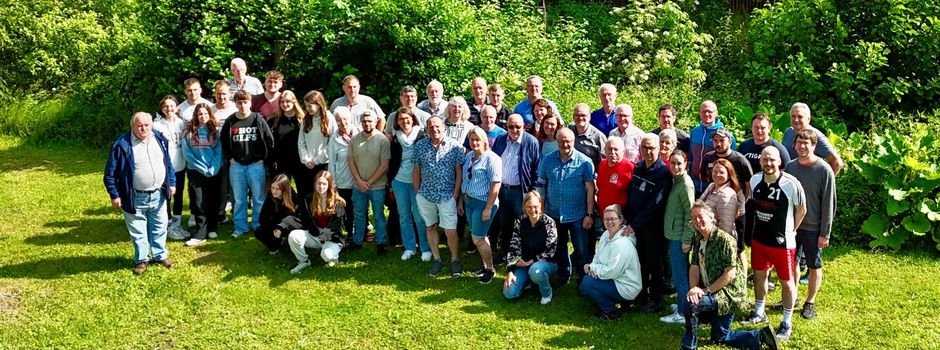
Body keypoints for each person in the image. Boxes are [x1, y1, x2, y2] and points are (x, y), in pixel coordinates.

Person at [682, 202, 778, 350]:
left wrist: (706, 291)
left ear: (711, 217)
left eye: (700, 216)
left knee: (693, 306)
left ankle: (689, 345)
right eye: (693, 218)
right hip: (711, 290)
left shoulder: (725, 240)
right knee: (717, 335)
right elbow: (694, 266)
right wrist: (694, 288)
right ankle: (761, 336)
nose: (697, 221)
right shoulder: (698, 237)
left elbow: (730, 274)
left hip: (727, 293)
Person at [742, 147, 806, 342]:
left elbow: (802, 210)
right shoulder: (754, 180)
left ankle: (787, 321)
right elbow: (752, 204)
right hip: (760, 239)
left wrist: (791, 230)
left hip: (782, 242)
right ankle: (759, 310)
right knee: (760, 275)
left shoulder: (791, 184)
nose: (768, 164)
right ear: (760, 162)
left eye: (772, 160)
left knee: (786, 281)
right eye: (765, 160)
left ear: (779, 161)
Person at [104, 112, 177, 275]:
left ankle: (159, 255)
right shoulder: (121, 144)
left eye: (147, 125)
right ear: (132, 126)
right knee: (138, 230)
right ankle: (142, 259)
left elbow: (168, 163)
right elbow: (110, 173)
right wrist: (114, 194)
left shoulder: (159, 138)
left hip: (159, 194)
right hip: (134, 196)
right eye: (139, 125)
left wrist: (171, 182)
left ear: (152, 125)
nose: (144, 129)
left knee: (160, 226)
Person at [783, 129, 836, 320]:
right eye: (799, 143)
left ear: (814, 146)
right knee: (793, 262)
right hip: (793, 227)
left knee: (814, 265)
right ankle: (793, 297)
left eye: (807, 143)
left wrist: (825, 233)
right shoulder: (790, 167)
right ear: (794, 145)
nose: (802, 146)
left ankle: (810, 302)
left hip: (814, 228)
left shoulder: (824, 170)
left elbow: (829, 203)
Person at [536, 128, 596, 284]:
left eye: (568, 141)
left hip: (578, 214)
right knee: (559, 247)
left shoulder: (584, 162)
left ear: (573, 141)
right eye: (561, 141)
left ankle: (584, 279)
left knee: (581, 250)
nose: (565, 144)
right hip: (553, 213)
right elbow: (541, 185)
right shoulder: (548, 160)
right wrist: (541, 211)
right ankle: (564, 275)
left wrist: (589, 214)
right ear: (556, 141)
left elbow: (590, 188)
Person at [623, 133, 672, 313]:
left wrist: (635, 224)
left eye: (652, 148)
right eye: (645, 147)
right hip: (635, 224)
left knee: (654, 263)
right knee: (639, 261)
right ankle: (640, 294)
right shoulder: (638, 167)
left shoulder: (664, 174)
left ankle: (656, 298)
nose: (648, 151)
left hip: (652, 227)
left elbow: (656, 205)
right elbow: (632, 195)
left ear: (658, 148)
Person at [414, 116, 465, 277]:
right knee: (430, 226)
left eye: (437, 126)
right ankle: (437, 259)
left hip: (446, 196)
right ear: (427, 129)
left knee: (450, 230)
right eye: (431, 127)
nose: (434, 129)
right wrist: (418, 192)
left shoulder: (455, 146)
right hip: (426, 194)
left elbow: (459, 173)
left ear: (444, 127)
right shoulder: (420, 146)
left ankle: (454, 260)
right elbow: (416, 170)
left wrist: (455, 195)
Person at [220, 90, 275, 238]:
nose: (242, 105)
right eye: (239, 102)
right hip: (236, 165)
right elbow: (224, 142)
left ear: (250, 103)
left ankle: (258, 225)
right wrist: (230, 158)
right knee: (238, 199)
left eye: (245, 102)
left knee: (258, 198)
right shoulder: (230, 121)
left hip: (256, 165)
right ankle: (240, 227)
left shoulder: (257, 119)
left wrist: (263, 158)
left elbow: (269, 140)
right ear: (236, 103)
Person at [492, 114, 541, 265]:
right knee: (505, 223)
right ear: (506, 126)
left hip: (521, 191)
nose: (514, 130)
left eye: (518, 126)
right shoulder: (500, 140)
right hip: (502, 189)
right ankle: (506, 253)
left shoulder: (531, 142)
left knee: (524, 224)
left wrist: (532, 192)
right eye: (511, 126)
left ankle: (525, 254)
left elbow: (536, 169)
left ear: (523, 126)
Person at [579, 204, 642, 319]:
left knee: (588, 283)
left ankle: (611, 311)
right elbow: (597, 256)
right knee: (584, 287)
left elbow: (612, 272)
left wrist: (592, 269)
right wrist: (593, 266)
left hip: (625, 286)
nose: (609, 222)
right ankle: (615, 301)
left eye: (613, 219)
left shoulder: (622, 243)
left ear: (621, 219)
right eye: (606, 219)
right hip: (613, 279)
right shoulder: (605, 234)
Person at [460, 127, 502, 284]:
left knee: (477, 238)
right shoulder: (469, 155)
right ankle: (485, 266)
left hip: (484, 203)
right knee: (480, 236)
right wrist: (461, 201)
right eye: (472, 140)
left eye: (477, 139)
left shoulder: (492, 159)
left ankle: (491, 270)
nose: (474, 142)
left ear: (484, 140)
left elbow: (496, 185)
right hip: (469, 201)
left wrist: (488, 208)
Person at [389, 107, 431, 261]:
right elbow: (392, 161)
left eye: (407, 118)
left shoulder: (421, 136)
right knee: (404, 215)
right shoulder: (395, 138)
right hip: (399, 181)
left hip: (417, 182)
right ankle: (410, 247)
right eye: (401, 119)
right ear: (397, 122)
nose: (405, 121)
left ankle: (425, 247)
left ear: (413, 119)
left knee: (419, 216)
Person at [503, 191, 558, 304]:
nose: (532, 210)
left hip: (546, 263)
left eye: (535, 206)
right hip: (524, 263)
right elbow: (513, 246)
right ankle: (527, 282)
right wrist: (510, 270)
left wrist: (531, 261)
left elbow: (550, 251)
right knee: (509, 293)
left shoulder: (549, 223)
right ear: (524, 207)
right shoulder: (520, 221)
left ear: (541, 205)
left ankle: (546, 292)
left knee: (535, 271)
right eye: (529, 207)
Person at [659, 150, 695, 324]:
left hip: (680, 237)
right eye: (672, 163)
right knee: (678, 273)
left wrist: (687, 239)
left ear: (686, 164)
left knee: (680, 275)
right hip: (673, 234)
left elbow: (691, 214)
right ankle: (683, 303)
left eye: (679, 163)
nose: (675, 166)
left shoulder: (685, 184)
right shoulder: (676, 181)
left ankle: (682, 313)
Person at [347, 110, 391, 253]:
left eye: (370, 121)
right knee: (359, 214)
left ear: (375, 121)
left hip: (377, 186)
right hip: (358, 185)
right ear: (361, 122)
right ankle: (357, 240)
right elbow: (351, 161)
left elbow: (384, 164)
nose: (367, 123)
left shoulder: (382, 139)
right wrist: (359, 181)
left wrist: (369, 182)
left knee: (378, 214)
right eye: (364, 121)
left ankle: (381, 242)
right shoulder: (355, 139)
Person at [288, 170, 347, 273]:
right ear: (315, 184)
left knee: (326, 256)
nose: (321, 186)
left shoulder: (338, 202)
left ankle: (334, 256)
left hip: (332, 238)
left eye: (324, 183)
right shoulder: (308, 199)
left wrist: (324, 235)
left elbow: (336, 226)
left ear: (329, 185)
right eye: (318, 183)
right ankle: (304, 261)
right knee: (293, 236)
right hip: (314, 235)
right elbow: (302, 219)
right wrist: (283, 225)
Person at [181, 104, 223, 246]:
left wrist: (213, 168)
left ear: (210, 115)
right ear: (196, 116)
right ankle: (200, 233)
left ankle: (212, 227)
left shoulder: (215, 131)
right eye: (200, 114)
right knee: (199, 201)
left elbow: (219, 151)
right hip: (196, 172)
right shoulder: (189, 132)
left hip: (214, 171)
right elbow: (188, 154)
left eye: (205, 113)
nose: (203, 116)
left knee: (213, 200)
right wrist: (203, 169)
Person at [702, 158, 748, 276]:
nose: (717, 174)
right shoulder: (712, 186)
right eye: (715, 171)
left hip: (719, 240)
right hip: (708, 235)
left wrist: (718, 244)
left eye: (721, 172)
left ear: (729, 174)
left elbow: (726, 226)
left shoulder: (727, 194)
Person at [153, 95, 188, 240]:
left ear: (177, 107)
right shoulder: (157, 125)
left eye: (172, 106)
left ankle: (177, 224)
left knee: (179, 195)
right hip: (166, 168)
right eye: (166, 106)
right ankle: (167, 225)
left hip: (180, 165)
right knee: (166, 196)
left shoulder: (181, 123)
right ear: (162, 109)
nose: (169, 109)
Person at [782, 103, 845, 175]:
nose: (796, 120)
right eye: (793, 116)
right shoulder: (788, 132)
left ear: (808, 119)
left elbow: (837, 163)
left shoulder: (816, 136)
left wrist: (825, 182)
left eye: (800, 117)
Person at [690, 100, 737, 195]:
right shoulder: (695, 132)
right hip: (694, 185)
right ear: (699, 113)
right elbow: (691, 156)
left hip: (715, 187)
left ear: (716, 113)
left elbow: (732, 162)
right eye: (703, 111)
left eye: (710, 111)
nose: (706, 114)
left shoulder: (725, 136)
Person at [297, 90, 336, 199]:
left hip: (323, 163)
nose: (307, 109)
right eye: (306, 106)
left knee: (322, 193)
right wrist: (306, 159)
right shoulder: (307, 119)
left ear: (319, 104)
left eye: (310, 106)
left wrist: (317, 160)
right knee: (308, 193)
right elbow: (301, 141)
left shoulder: (328, 117)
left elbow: (332, 142)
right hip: (307, 164)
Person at [328, 107, 357, 241]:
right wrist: (332, 182)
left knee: (361, 206)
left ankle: (361, 231)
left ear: (350, 119)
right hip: (343, 179)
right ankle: (349, 233)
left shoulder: (359, 133)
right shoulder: (333, 139)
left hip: (360, 178)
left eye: (345, 119)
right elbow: (332, 162)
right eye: (339, 120)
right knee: (347, 207)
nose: (343, 122)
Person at [211, 80, 238, 224]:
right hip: (216, 153)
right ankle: (220, 214)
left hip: (234, 152)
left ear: (229, 94)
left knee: (235, 185)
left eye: (224, 94)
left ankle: (237, 212)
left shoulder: (235, 109)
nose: (221, 97)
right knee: (220, 185)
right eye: (218, 94)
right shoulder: (210, 110)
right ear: (214, 94)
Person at [254, 174, 300, 254]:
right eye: (272, 188)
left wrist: (282, 229)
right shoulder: (270, 196)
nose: (274, 191)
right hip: (277, 224)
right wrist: (275, 227)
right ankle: (275, 245)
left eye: (277, 189)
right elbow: (262, 218)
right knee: (259, 231)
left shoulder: (294, 199)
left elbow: (298, 220)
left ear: (284, 190)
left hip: (292, 226)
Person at [700, 128, 753, 196]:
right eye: (715, 140)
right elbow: (705, 177)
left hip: (734, 201)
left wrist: (742, 204)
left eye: (722, 140)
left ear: (730, 142)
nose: (718, 144)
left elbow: (748, 184)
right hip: (713, 199)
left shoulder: (740, 160)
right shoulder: (708, 157)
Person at [267, 90, 304, 182]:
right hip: (280, 162)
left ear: (294, 102)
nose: (284, 104)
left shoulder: (303, 119)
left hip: (299, 160)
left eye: (287, 101)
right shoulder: (273, 120)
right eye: (282, 102)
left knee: (303, 190)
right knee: (281, 190)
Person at [596, 137, 633, 218]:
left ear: (622, 151)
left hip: (620, 217)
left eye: (616, 149)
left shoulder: (630, 167)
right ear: (605, 150)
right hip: (603, 215)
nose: (612, 152)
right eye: (609, 149)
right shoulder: (602, 164)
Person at [569, 103, 607, 170]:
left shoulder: (599, 137)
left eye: (583, 115)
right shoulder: (569, 130)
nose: (580, 118)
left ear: (589, 117)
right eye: (577, 115)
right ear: (573, 117)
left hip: (589, 176)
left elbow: (604, 162)